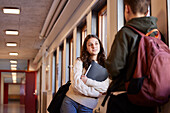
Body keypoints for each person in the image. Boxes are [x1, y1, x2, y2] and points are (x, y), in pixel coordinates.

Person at [105, 0, 164, 113]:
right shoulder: (156, 34)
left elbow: (114, 69)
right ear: (147, 12)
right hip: (149, 99)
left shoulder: (125, 33)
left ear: (127, 9)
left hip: (125, 99)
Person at [60, 34, 109, 113]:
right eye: (90, 45)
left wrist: (87, 81)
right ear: (86, 48)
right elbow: (76, 84)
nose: (94, 46)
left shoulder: (105, 65)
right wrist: (96, 93)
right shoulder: (80, 61)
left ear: (100, 45)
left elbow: (105, 87)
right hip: (71, 101)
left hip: (88, 106)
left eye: (96, 43)